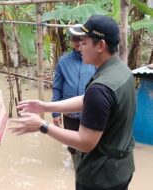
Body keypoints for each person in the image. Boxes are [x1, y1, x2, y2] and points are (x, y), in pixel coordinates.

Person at [11, 15, 135, 190]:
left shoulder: (100, 89)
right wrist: (46, 106)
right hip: (121, 168)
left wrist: (42, 126)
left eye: (84, 43)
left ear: (100, 46)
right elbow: (88, 100)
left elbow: (85, 142)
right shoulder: (122, 71)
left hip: (100, 177)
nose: (79, 47)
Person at [51, 28, 95, 167]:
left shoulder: (94, 60)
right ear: (71, 41)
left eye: (81, 39)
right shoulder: (64, 62)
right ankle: (77, 170)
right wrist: (55, 113)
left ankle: (87, 169)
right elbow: (57, 87)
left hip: (90, 111)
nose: (78, 43)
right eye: (75, 39)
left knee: (90, 143)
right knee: (72, 145)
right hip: (70, 114)